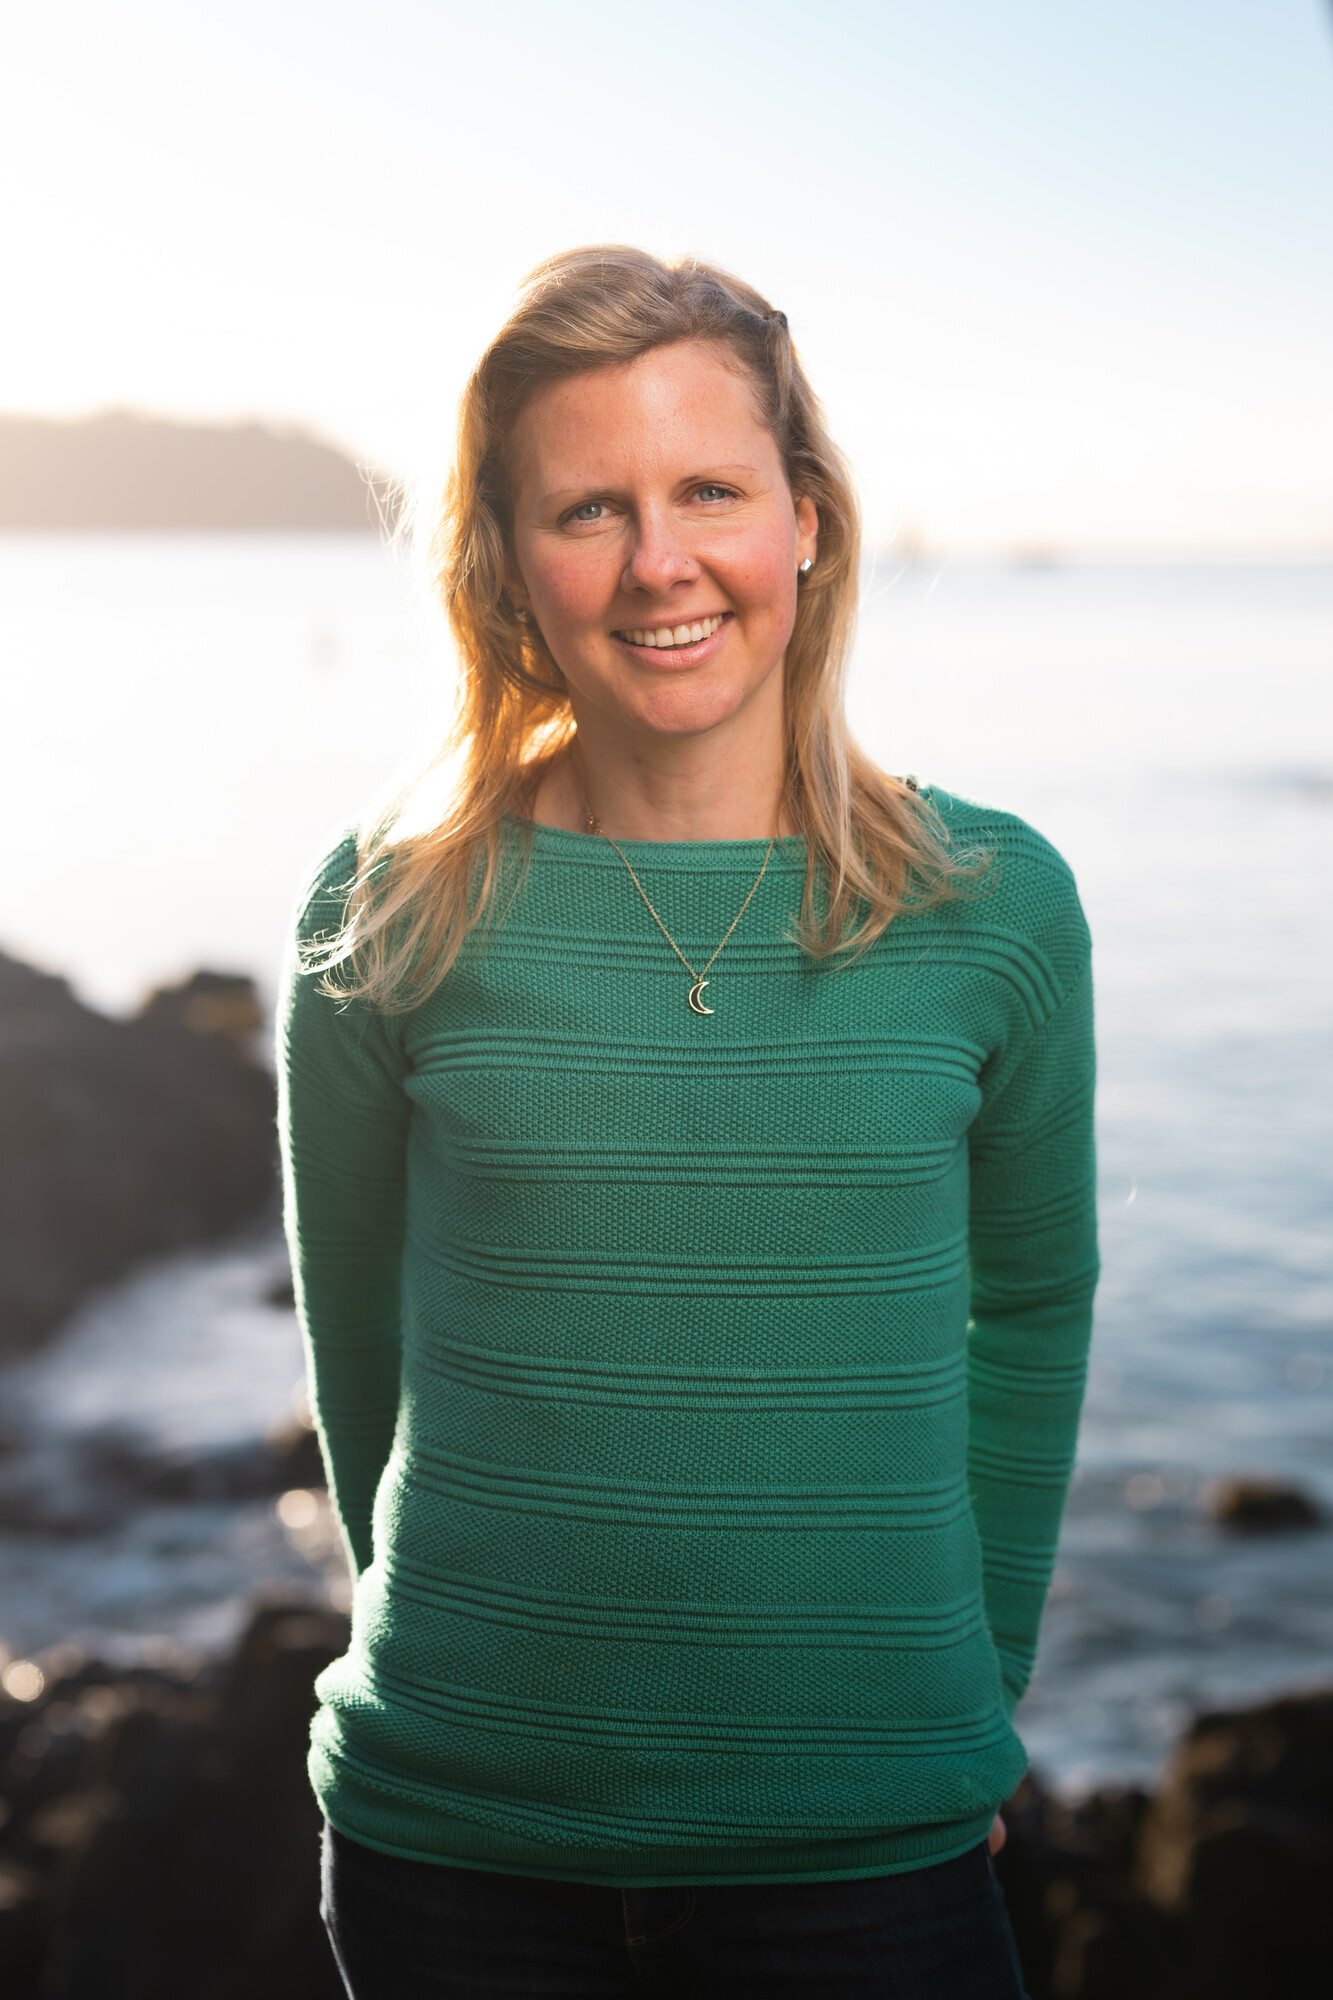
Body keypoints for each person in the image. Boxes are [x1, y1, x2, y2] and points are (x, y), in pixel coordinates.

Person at [278, 246, 1098, 1999]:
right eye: (589, 508)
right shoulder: (387, 905)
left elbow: (1028, 1313)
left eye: (709, 491)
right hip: (456, 1861)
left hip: (867, 1858)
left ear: (805, 519)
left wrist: (980, 1687)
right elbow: (357, 1345)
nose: (660, 562)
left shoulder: (992, 907)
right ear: (507, 563)